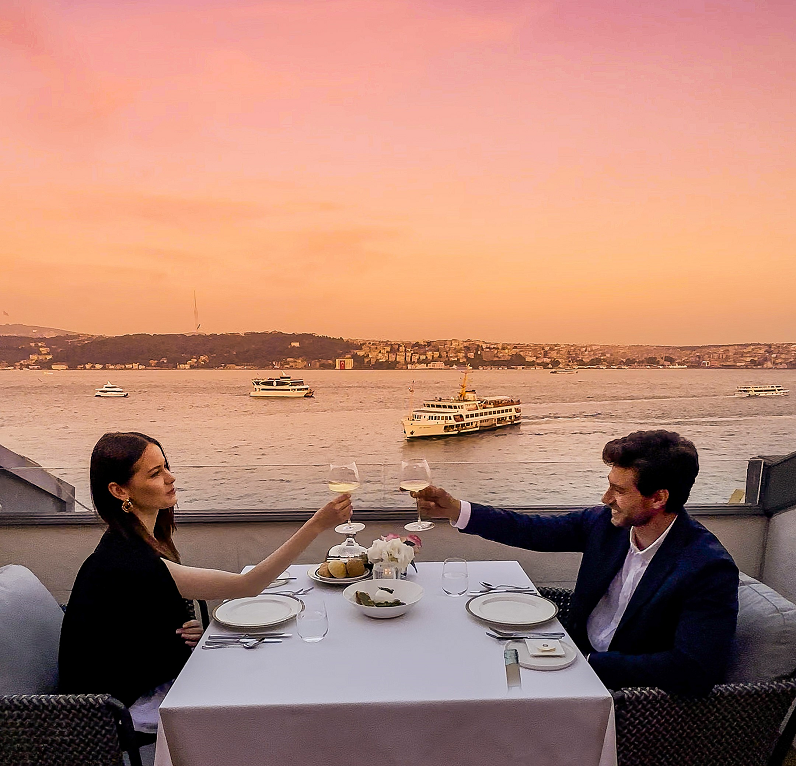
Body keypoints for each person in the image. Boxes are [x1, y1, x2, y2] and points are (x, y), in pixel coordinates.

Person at [59, 431, 352, 734]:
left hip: (138, 685)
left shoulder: (135, 542)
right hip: (115, 711)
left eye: (166, 466)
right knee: (264, 695)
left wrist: (177, 635)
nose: (171, 478)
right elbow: (248, 586)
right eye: (156, 473)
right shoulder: (126, 559)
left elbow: (130, 626)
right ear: (119, 490)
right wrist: (316, 525)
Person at [415, 430, 739, 696]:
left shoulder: (707, 568)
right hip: (566, 654)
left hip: (621, 694)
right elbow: (535, 531)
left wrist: (586, 663)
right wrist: (456, 509)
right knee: (466, 669)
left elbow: (693, 669)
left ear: (658, 498)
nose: (605, 498)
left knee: (491, 703)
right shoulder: (606, 525)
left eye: (618, 489)